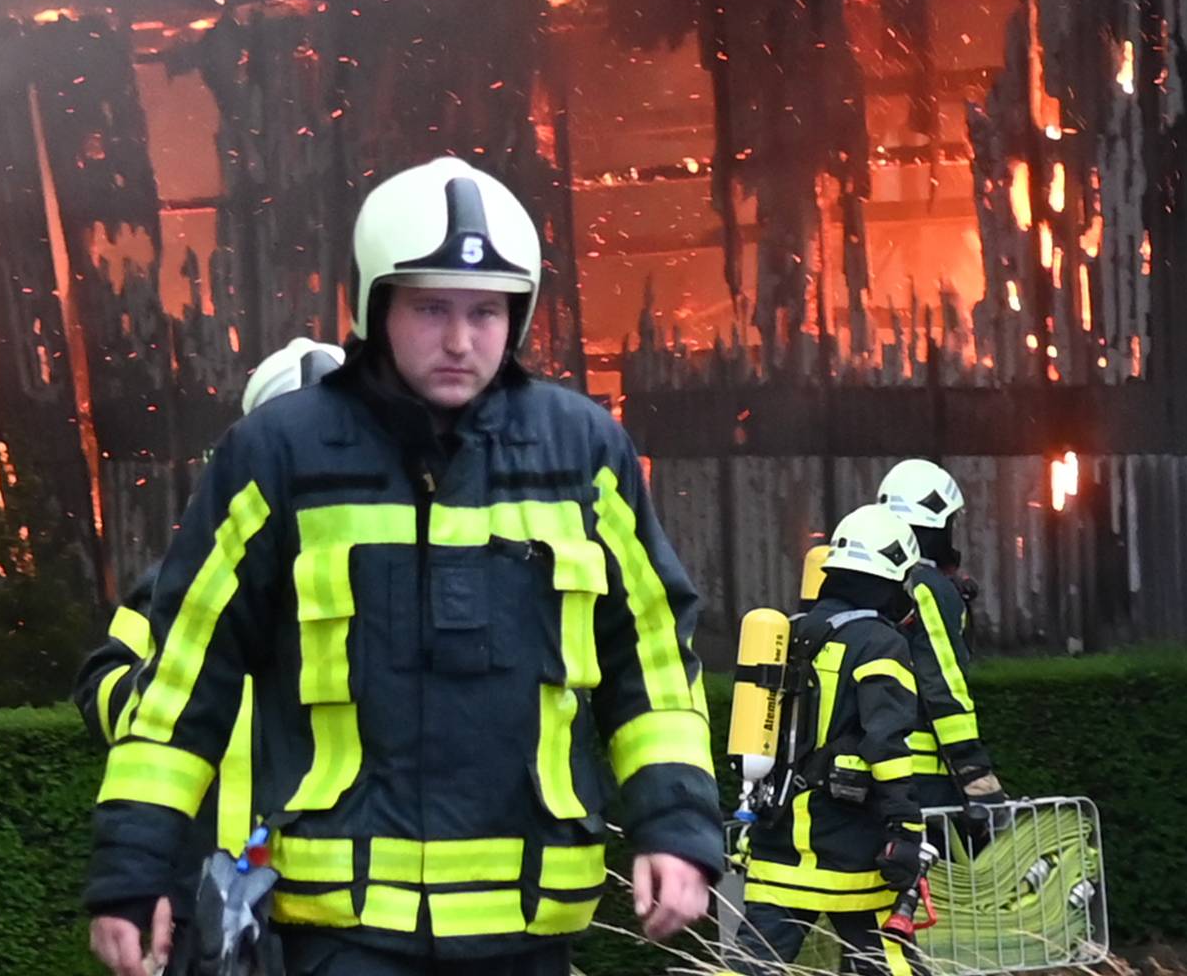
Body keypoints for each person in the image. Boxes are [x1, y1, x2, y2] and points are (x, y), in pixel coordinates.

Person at [85, 157, 719, 976]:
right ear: (376, 305)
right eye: (432, 308)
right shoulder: (280, 453)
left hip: (530, 927)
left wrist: (677, 827)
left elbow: (653, 660)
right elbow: (184, 679)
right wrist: (134, 872)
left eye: (486, 312)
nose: (461, 340)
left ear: (518, 317)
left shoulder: (583, 451)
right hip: (342, 927)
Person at [73, 337, 348, 969]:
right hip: (207, 891)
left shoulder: (384, 581)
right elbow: (101, 684)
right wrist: (173, 696)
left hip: (346, 895)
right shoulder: (184, 578)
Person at [730, 504, 936, 976]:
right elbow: (886, 743)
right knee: (888, 964)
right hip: (849, 850)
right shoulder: (881, 644)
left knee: (748, 966)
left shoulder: (793, 633)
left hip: (777, 841)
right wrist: (905, 826)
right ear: (889, 579)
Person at [875, 459, 1004, 817]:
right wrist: (974, 771)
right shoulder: (925, 586)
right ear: (937, 523)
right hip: (925, 777)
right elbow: (942, 682)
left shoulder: (878, 583)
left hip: (873, 771)